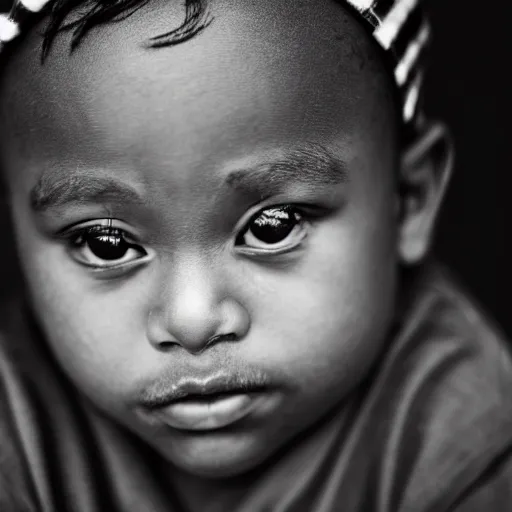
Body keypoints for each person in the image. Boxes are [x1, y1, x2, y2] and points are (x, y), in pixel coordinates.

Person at [0, 0, 511, 510]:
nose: (193, 319)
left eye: (273, 228)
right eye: (105, 243)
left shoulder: (471, 439)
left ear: (408, 199)